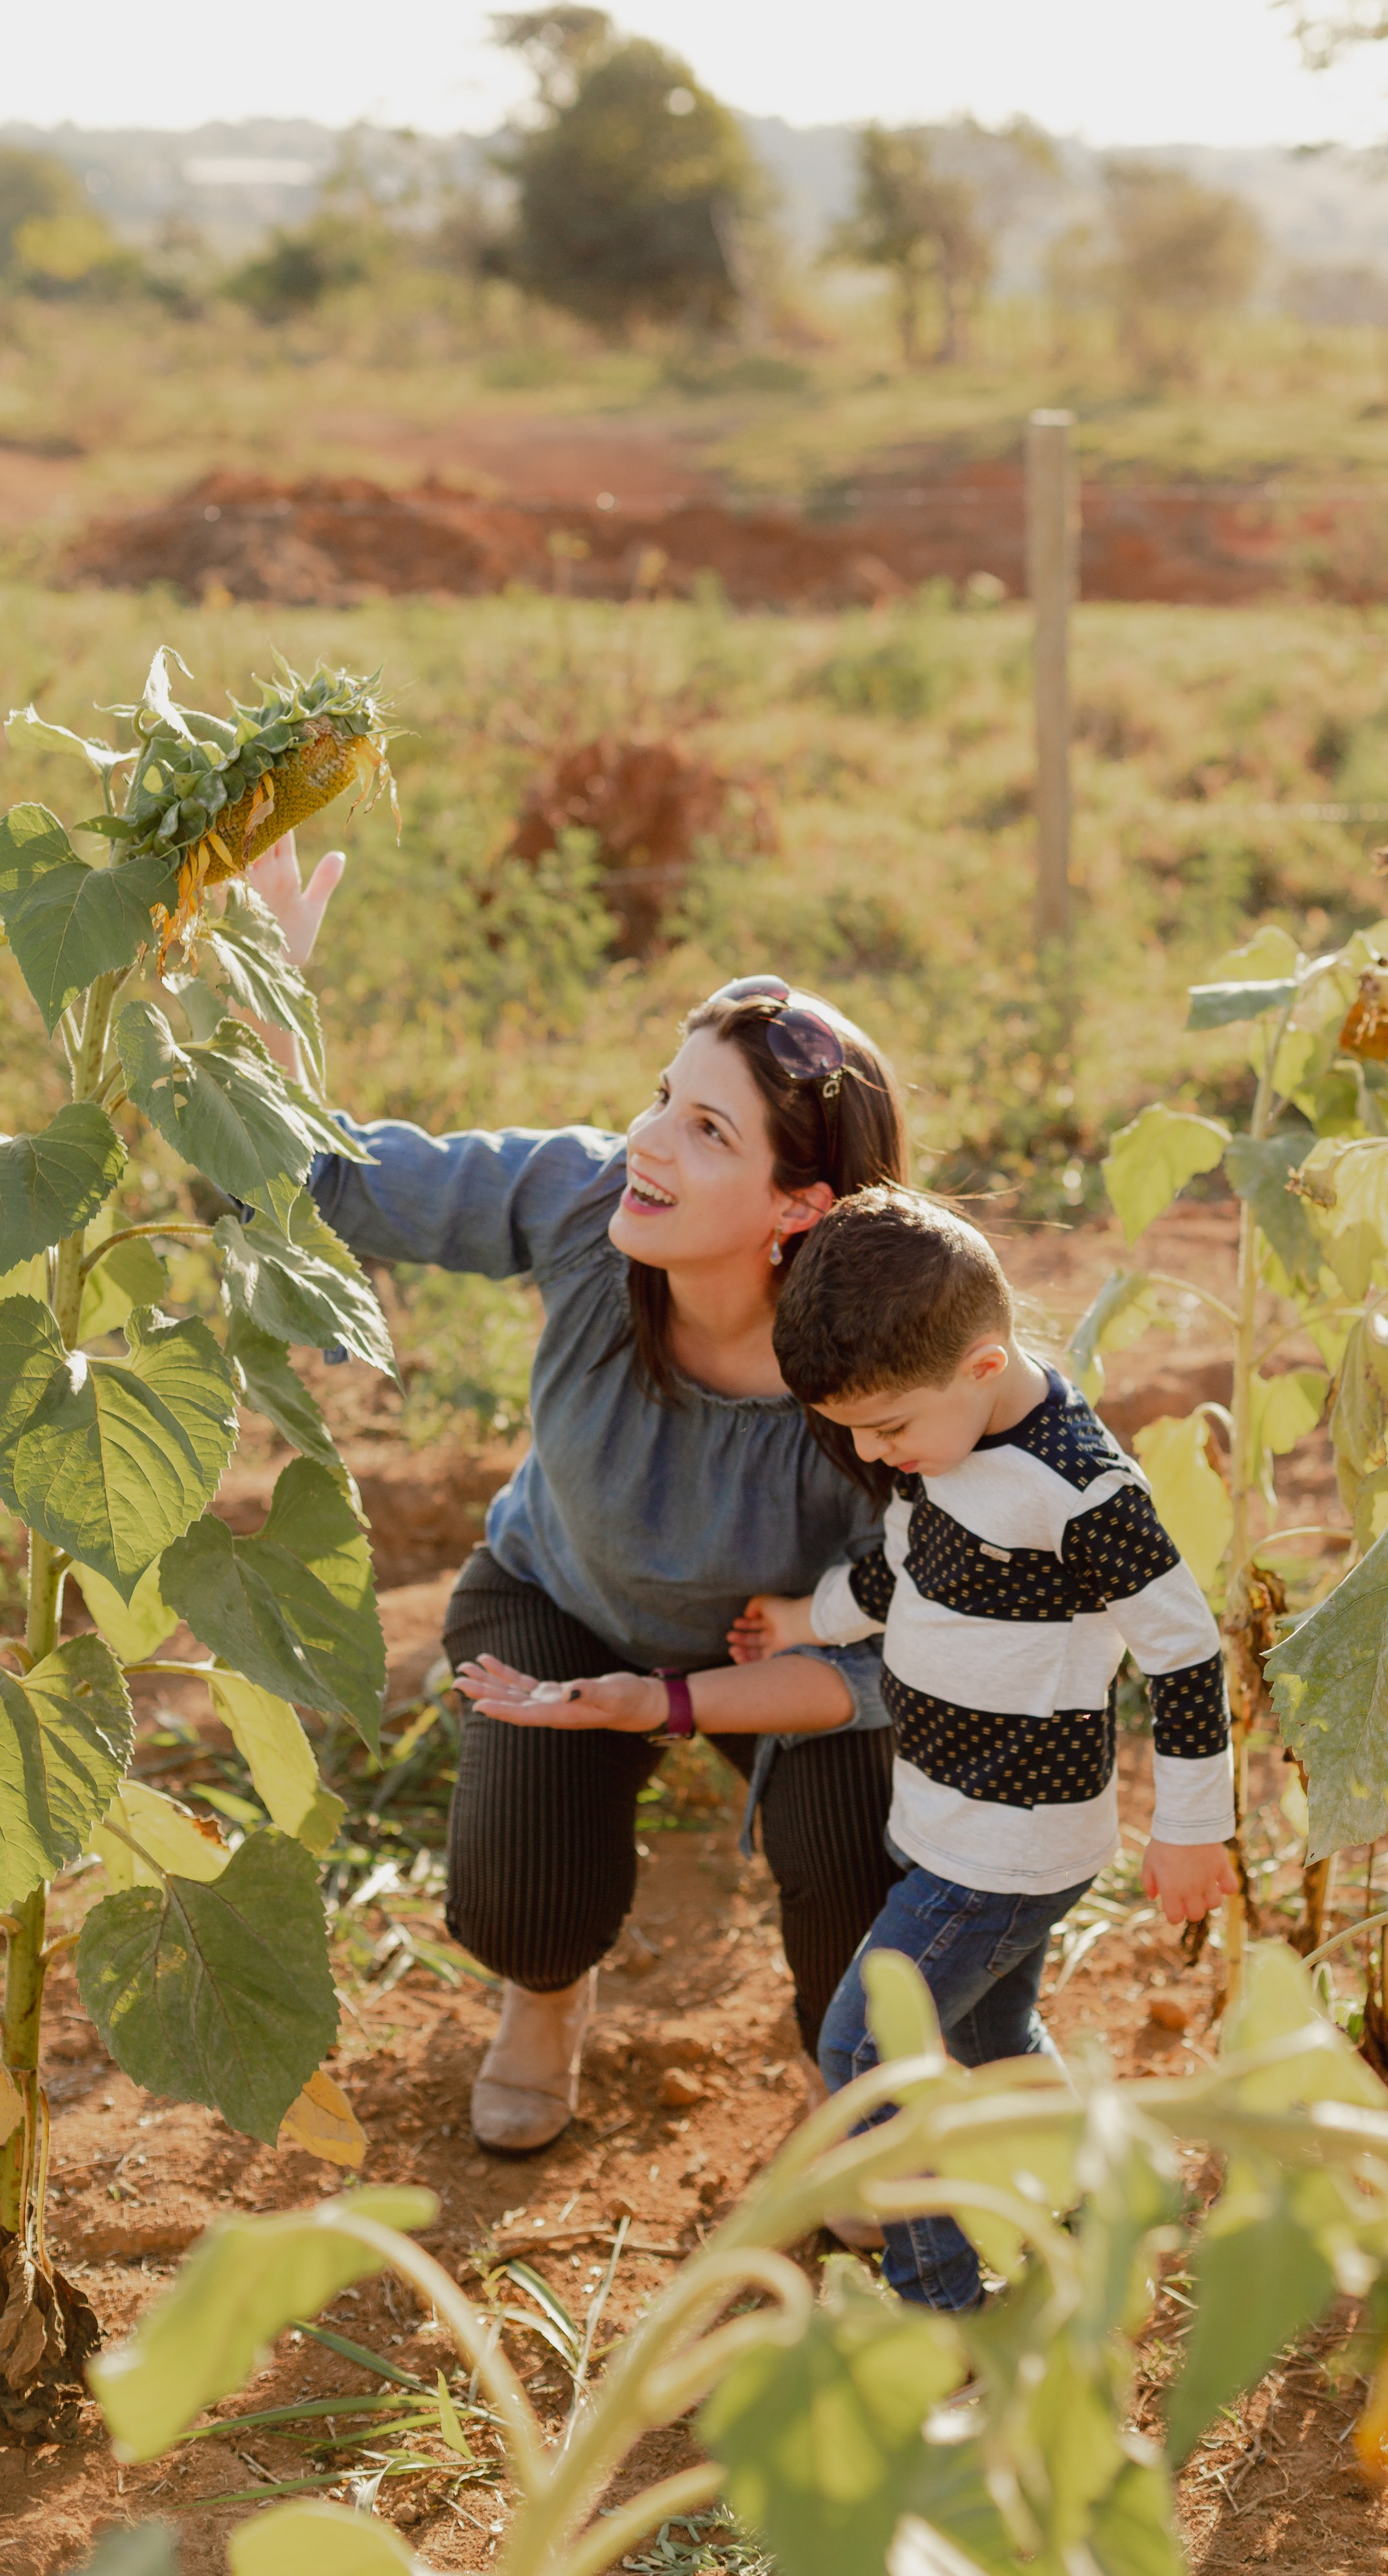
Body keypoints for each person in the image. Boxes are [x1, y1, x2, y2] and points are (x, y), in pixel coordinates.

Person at [248, 835, 903, 2157]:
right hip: (565, 1598)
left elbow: (953, 1624)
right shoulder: (584, 1198)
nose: (648, 1144)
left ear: (800, 1204)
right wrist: (265, 981)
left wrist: (720, 1683)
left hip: (793, 1645)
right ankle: (545, 1998)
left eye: (706, 1130)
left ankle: (861, 2089)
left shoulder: (885, 1353)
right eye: (662, 1097)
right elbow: (330, 1182)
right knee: (519, 1897)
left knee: (868, 1867)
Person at [731, 1186, 1238, 2314]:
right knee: (992, 2035)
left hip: (1009, 1844)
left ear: (982, 1364)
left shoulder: (1082, 1489)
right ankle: (1098, 2202)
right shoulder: (944, 1447)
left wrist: (1195, 1825)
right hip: (949, 1819)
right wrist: (808, 1617)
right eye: (854, 1434)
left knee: (868, 2055)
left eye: (887, 1430)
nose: (875, 1457)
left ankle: (940, 2300)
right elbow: (908, 1565)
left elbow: (1186, 1650)